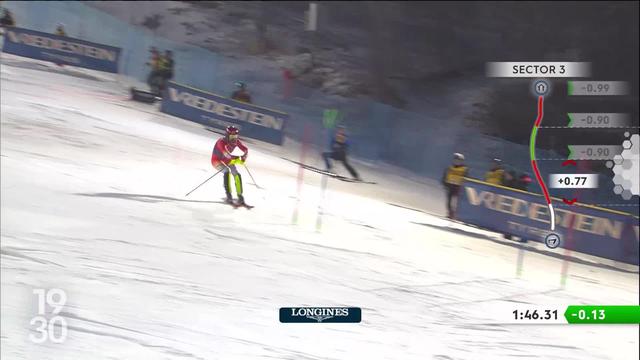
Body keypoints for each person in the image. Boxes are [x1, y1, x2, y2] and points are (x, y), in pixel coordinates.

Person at [210, 126, 249, 205]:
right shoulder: (221, 142)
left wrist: (244, 156)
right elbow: (226, 154)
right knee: (226, 171)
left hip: (227, 160)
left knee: (236, 173)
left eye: (235, 136)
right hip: (216, 160)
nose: (234, 138)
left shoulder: (235, 141)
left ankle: (240, 196)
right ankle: (229, 195)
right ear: (227, 135)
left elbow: (245, 149)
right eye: (232, 136)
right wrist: (238, 158)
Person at [442, 153, 468, 219]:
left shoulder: (464, 169)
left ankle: (456, 215)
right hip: (450, 186)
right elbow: (445, 176)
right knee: (449, 201)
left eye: (458, 160)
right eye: (455, 160)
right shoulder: (449, 167)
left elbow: (466, 178)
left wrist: (464, 185)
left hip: (458, 187)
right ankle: (450, 214)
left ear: (461, 161)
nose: (456, 161)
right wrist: (444, 183)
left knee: (457, 202)